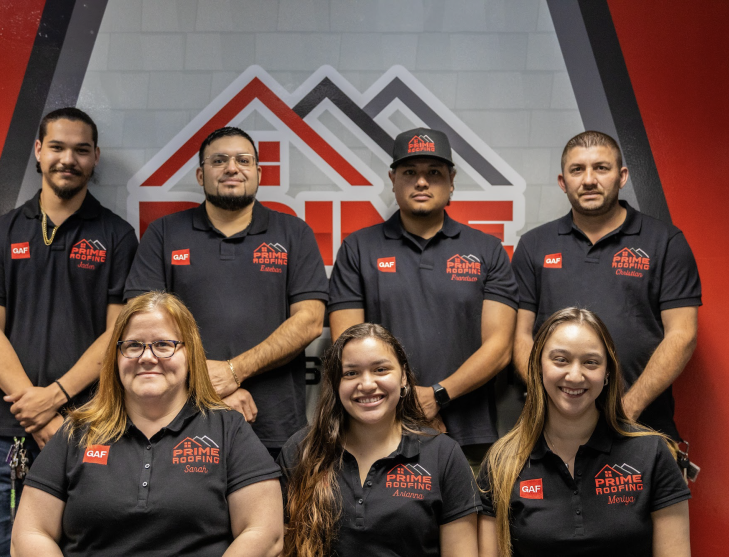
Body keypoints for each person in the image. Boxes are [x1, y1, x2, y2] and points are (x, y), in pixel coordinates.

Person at [0, 107, 138, 555]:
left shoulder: (118, 236)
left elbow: (120, 333)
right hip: (10, 432)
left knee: (87, 549)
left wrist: (56, 397)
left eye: (81, 150)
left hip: (91, 428)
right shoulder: (1, 233)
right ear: (39, 151)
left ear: (95, 157)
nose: (68, 159)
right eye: (57, 147)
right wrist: (36, 409)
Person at [11, 291, 283, 556]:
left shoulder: (228, 430)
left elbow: (264, 533)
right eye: (133, 345)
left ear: (190, 354)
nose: (147, 357)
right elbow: (30, 534)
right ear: (116, 357)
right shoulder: (77, 431)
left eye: (164, 345)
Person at [125, 127, 327, 459]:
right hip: (177, 420)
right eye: (219, 160)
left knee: (270, 513)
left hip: (273, 427)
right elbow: (138, 322)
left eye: (243, 160)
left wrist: (234, 371)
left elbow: (309, 322)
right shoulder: (164, 233)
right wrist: (207, 386)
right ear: (201, 174)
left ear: (258, 173)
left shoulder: (293, 232)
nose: (232, 168)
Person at [328, 127, 517, 465]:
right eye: (410, 172)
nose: (421, 182)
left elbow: (500, 348)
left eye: (434, 172)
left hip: (468, 433)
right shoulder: (358, 249)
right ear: (393, 178)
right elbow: (347, 347)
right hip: (378, 433)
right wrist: (408, 403)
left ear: (451, 180)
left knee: (470, 519)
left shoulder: (486, 249)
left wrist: (437, 397)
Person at [512, 131, 700, 442]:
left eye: (601, 168)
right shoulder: (534, 245)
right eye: (577, 170)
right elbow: (520, 335)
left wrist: (626, 410)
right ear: (563, 182)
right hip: (552, 430)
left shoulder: (665, 242)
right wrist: (552, 404)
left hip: (641, 426)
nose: (588, 180)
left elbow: (682, 334)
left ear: (622, 176)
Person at [477, 308, 690, 557]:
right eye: (560, 360)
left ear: (607, 372)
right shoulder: (501, 462)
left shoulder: (652, 454)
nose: (575, 376)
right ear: (538, 366)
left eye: (591, 362)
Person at [278, 323, 480, 557]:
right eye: (351, 373)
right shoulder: (301, 449)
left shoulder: (443, 455)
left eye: (380, 369)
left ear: (403, 376)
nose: (367, 385)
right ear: (335, 383)